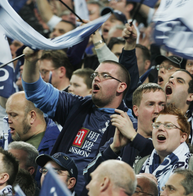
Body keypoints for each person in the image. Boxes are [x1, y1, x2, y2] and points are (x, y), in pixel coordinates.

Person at [23, 47, 133, 195]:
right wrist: (31, 61)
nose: (96, 78)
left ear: (121, 86)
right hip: (55, 190)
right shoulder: (76, 105)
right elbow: (36, 92)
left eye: (105, 75)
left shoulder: (128, 123)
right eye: (95, 74)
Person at [83, 83, 165, 183]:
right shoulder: (121, 139)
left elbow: (159, 154)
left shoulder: (170, 140)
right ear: (136, 110)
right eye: (151, 104)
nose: (158, 110)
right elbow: (89, 175)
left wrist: (134, 137)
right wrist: (113, 149)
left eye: (162, 104)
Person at [134, 105, 193, 191]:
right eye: (156, 125)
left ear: (183, 137)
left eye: (168, 126)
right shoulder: (140, 164)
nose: (160, 128)